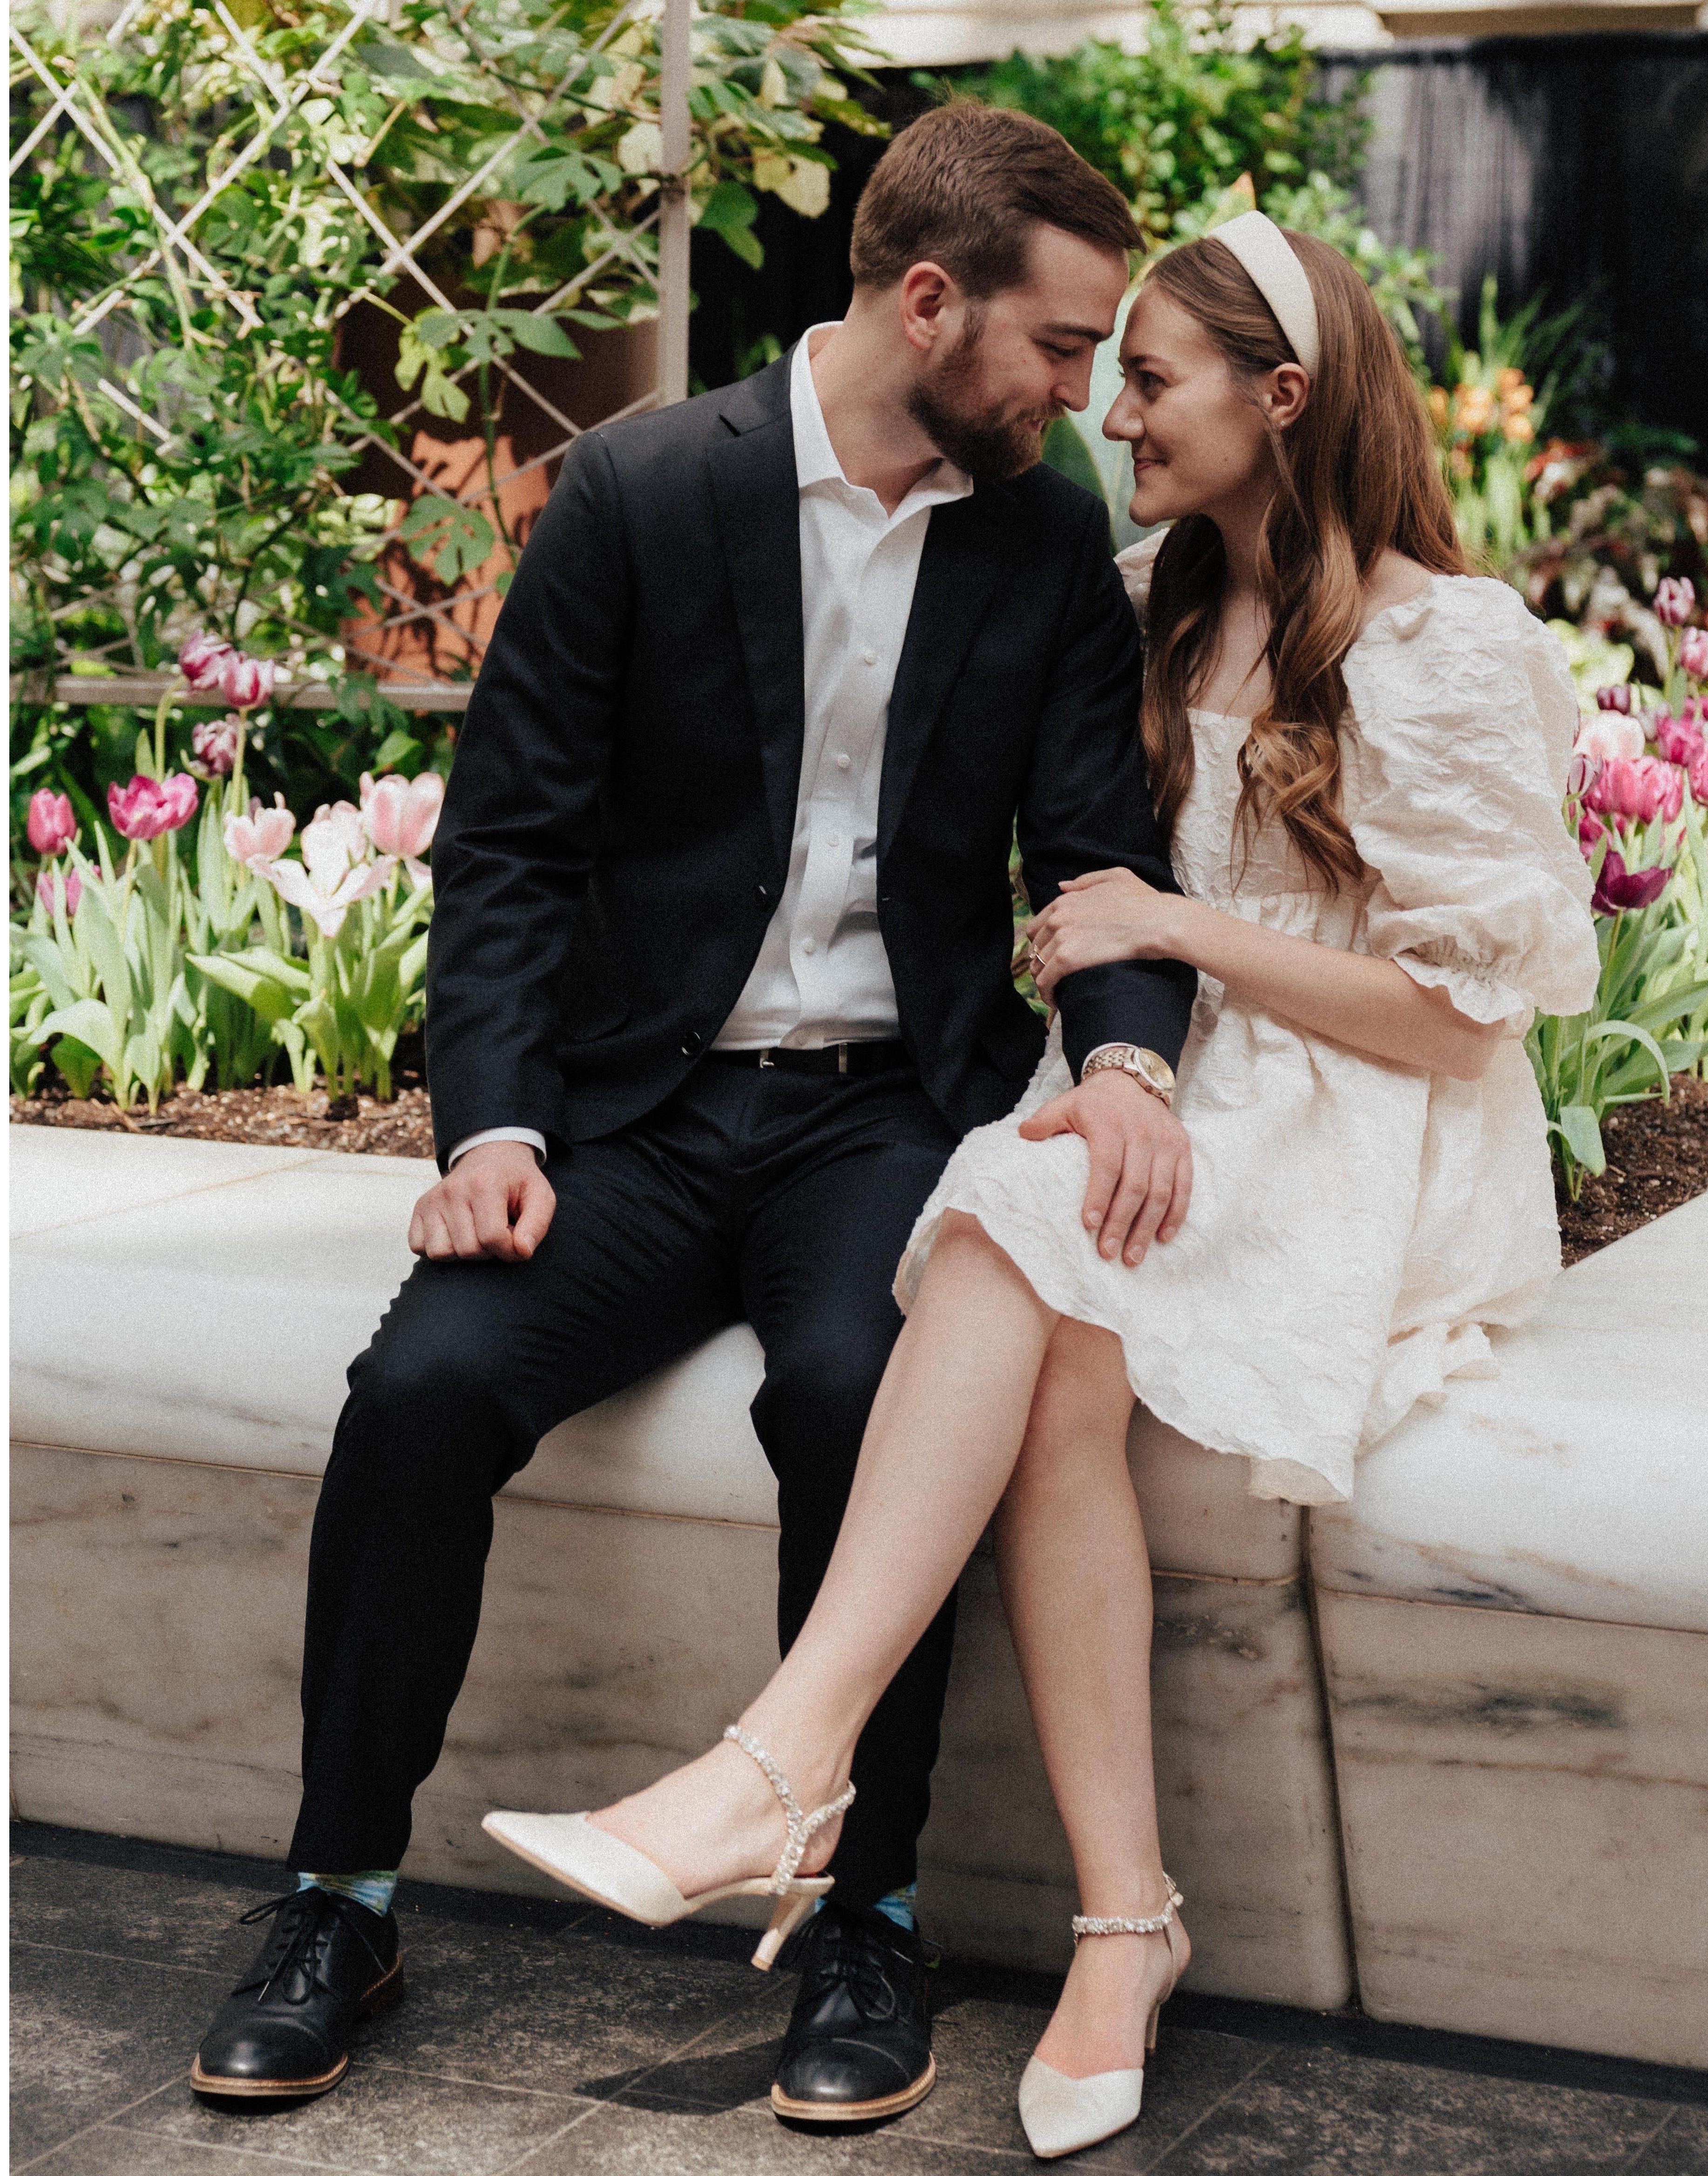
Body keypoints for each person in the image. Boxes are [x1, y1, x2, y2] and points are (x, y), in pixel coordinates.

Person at [487, 211, 1603, 2160]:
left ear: (1281, 400)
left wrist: (1181, 927)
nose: (1104, 407)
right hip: (1170, 1082)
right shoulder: (1144, 594)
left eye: (1148, 376)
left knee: (1013, 1214)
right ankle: (1123, 1923)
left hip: (1360, 1119)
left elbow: (1454, 1024)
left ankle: (781, 1761)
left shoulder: (1446, 644)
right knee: (1052, 1313)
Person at [187, 102, 1200, 2122]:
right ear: (930, 303)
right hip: (628, 1116)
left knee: (855, 1399)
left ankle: (869, 1918)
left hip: (879, 1118)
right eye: (1061, 345)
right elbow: (511, 851)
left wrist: (1122, 1057)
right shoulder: (644, 490)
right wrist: (490, 1128)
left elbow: (1095, 842)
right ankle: (341, 1890)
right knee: (419, 1393)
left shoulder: (1042, 523)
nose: (1084, 391)